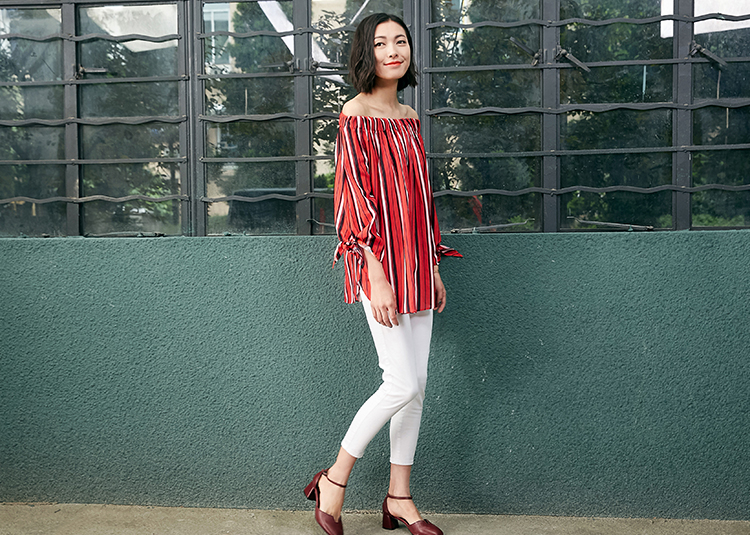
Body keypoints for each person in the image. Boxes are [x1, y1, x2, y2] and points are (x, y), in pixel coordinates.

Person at [304, 13, 461, 536]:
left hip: (418, 263)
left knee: (417, 388)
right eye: (380, 43)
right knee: (401, 382)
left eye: (400, 41)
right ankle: (334, 478)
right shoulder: (355, 114)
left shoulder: (410, 117)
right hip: (380, 265)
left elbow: (421, 197)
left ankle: (399, 497)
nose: (393, 50)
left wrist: (433, 264)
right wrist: (376, 273)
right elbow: (352, 198)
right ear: (365, 54)